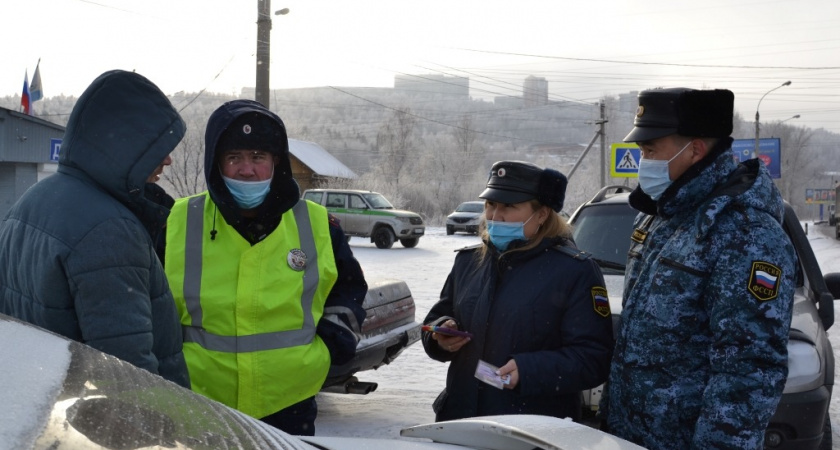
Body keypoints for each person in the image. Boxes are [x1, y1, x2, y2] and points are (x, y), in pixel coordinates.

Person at [601, 88, 796, 449]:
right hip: (630, 435)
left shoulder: (745, 233)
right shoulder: (663, 215)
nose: (643, 160)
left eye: (650, 150)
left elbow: (748, 370)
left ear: (694, 150)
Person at [163, 99, 367, 436]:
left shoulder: (317, 224)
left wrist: (333, 347)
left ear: (276, 163)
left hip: (289, 402)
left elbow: (348, 289)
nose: (247, 170)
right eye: (234, 158)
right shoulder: (177, 222)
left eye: (258, 157)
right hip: (199, 400)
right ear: (216, 163)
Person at [0, 70, 190, 388]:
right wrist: (160, 430)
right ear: (126, 146)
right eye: (157, 147)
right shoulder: (109, 231)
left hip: (41, 402)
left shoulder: (33, 200)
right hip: (96, 426)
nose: (168, 160)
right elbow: (129, 377)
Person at [422, 160, 614, 422]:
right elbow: (436, 319)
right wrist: (440, 334)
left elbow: (593, 359)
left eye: (509, 206)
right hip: (460, 420)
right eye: (491, 205)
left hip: (530, 427)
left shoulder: (575, 271)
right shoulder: (469, 262)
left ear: (542, 214)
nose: (495, 216)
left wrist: (529, 370)